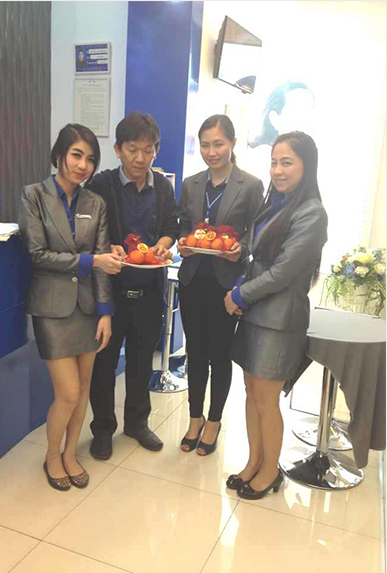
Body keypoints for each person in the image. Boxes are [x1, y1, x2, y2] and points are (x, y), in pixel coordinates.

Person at [18, 124, 125, 491]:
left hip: (89, 309)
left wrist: (106, 312)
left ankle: (70, 454)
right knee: (67, 393)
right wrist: (91, 261)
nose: (83, 165)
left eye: (90, 159)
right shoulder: (34, 195)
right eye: (76, 155)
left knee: (83, 390)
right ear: (59, 155)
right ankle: (52, 456)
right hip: (51, 308)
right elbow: (38, 255)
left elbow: (105, 259)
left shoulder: (95, 203)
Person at [223, 131, 327, 500]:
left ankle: (270, 471)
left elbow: (283, 272)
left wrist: (239, 294)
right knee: (252, 392)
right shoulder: (275, 204)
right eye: (273, 162)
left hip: (280, 321)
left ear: (306, 166)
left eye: (287, 163)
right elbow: (259, 254)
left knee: (267, 399)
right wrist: (240, 268)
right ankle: (254, 462)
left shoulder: (311, 212)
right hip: (256, 313)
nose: (278, 171)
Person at [85, 112, 180, 460]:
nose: (140, 158)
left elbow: (172, 226)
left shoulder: (163, 187)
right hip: (110, 294)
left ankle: (137, 423)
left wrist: (163, 245)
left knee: (142, 362)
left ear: (156, 150)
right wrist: (106, 246)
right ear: (117, 149)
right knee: (104, 366)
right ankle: (103, 429)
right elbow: (88, 234)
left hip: (150, 291)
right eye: (132, 150)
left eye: (148, 150)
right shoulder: (101, 185)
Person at [176, 114, 264, 456]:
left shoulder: (250, 185)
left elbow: (256, 235)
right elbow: (184, 225)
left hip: (226, 285)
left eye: (218, 144)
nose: (211, 152)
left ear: (232, 143)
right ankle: (194, 418)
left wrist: (241, 250)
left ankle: (214, 421)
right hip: (193, 279)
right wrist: (183, 242)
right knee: (195, 353)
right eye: (205, 145)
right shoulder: (191, 184)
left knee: (220, 356)